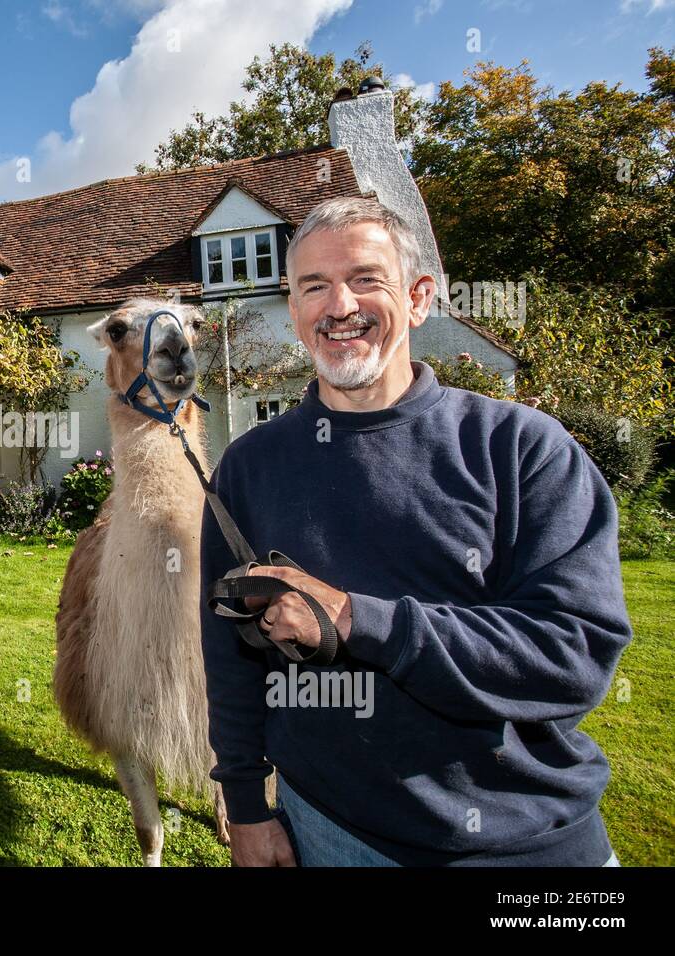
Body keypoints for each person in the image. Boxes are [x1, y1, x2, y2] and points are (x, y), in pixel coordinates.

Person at [199, 197, 632, 867]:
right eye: (314, 286)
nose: (340, 304)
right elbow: (230, 657)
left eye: (366, 278)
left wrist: (356, 620)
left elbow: (572, 654)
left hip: (525, 844)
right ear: (294, 310)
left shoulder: (519, 449)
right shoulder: (251, 467)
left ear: (420, 297)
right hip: (330, 831)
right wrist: (248, 807)